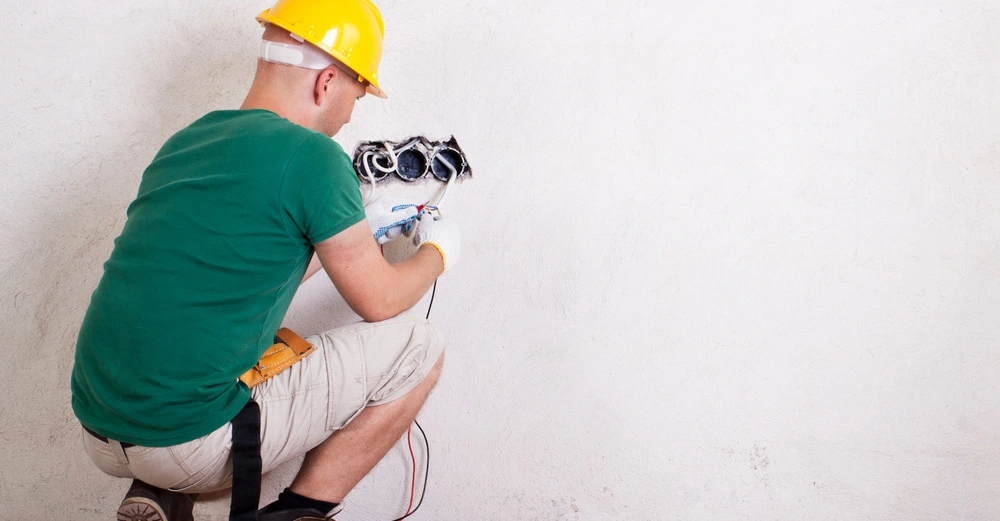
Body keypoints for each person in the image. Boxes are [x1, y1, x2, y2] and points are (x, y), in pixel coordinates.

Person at [69, 1, 460, 520]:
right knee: (420, 345)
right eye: (355, 96)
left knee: (208, 343)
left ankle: (161, 494)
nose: (347, 116)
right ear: (326, 82)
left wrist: (357, 235)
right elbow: (382, 302)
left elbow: (247, 270)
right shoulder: (314, 157)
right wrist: (439, 252)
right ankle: (299, 512)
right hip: (188, 442)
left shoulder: (189, 141)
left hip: (100, 430)